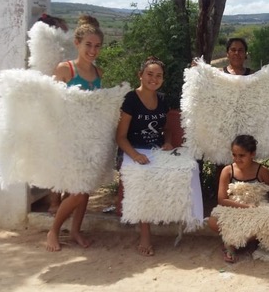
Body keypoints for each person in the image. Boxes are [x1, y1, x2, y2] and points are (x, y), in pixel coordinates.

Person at [46, 15, 104, 252]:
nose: (93, 50)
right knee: (78, 191)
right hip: (68, 139)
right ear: (77, 43)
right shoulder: (65, 69)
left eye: (97, 46)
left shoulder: (98, 73)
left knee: (84, 190)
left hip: (89, 139)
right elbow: (52, 104)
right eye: (88, 45)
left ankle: (76, 230)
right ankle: (54, 230)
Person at [116, 56, 174, 256]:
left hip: (156, 151)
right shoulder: (131, 99)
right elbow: (120, 137)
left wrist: (167, 142)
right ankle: (145, 236)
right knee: (144, 182)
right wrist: (135, 155)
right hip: (133, 151)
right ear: (140, 75)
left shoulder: (163, 99)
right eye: (150, 74)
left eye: (159, 76)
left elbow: (166, 129)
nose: (154, 79)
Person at [207, 135, 269, 263]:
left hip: (256, 210)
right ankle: (243, 241)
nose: (237, 159)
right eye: (234, 155)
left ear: (252, 154)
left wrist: (268, 206)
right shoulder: (228, 171)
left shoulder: (262, 171)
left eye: (242, 155)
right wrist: (245, 207)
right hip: (235, 209)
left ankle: (233, 244)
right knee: (212, 221)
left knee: (268, 221)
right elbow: (222, 200)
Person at [31, 14, 68, 214]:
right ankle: (55, 203)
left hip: (51, 106)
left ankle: (56, 202)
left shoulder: (46, 50)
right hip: (54, 108)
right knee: (57, 158)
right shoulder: (53, 50)